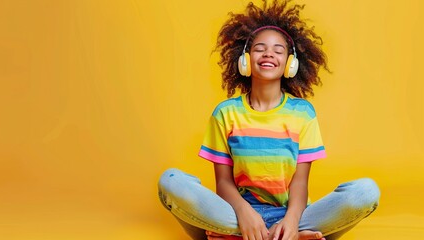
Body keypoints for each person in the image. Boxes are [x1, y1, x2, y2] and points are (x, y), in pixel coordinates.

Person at [158, 0, 380, 239]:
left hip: (291, 213)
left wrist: (292, 222)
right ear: (245, 59)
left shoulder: (303, 113)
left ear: (290, 63)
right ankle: (266, 235)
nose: (268, 54)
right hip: (235, 214)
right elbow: (223, 183)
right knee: (170, 181)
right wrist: (244, 213)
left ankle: (273, 234)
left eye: (278, 50)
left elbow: (300, 183)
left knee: (366, 192)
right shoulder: (225, 113)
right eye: (259, 48)